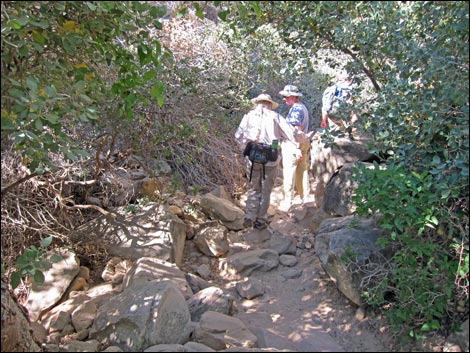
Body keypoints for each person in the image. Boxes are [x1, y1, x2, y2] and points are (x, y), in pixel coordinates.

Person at [235, 93, 296, 230]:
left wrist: (245, 148)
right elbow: (290, 134)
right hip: (270, 158)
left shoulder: (248, 117)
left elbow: (238, 136)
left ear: (257, 103)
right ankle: (261, 219)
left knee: (253, 187)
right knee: (266, 189)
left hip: (253, 157)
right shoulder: (276, 117)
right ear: (269, 104)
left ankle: (250, 216)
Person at [278, 84, 311, 210]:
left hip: (293, 144)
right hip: (304, 142)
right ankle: (305, 198)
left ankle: (288, 201)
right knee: (302, 170)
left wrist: (296, 147)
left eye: (286, 96)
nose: (284, 99)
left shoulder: (296, 109)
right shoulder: (303, 107)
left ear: (292, 97)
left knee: (289, 172)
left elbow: (297, 129)